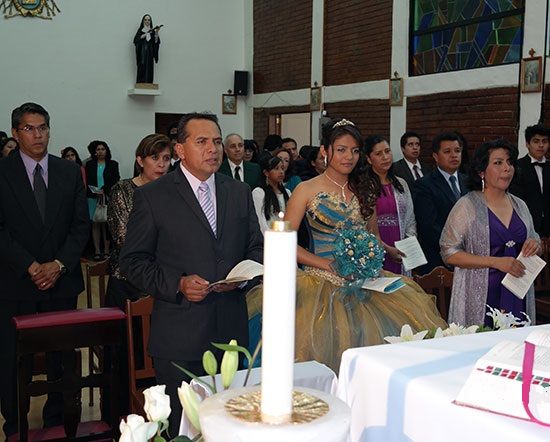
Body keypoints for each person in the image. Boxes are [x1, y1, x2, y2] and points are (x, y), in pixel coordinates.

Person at [247, 118, 445, 372]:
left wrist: (383, 251)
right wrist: (327, 264)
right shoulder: (305, 190)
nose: (348, 157)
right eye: (341, 149)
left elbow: (371, 235)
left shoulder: (365, 188)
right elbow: (285, 244)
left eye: (354, 150)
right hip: (319, 282)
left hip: (364, 281)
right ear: (325, 151)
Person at [119, 113, 263, 436]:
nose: (212, 149)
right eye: (201, 142)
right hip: (180, 338)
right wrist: (178, 284)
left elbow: (257, 247)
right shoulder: (154, 197)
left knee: (230, 428)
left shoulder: (239, 192)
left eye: (216, 142)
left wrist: (244, 275)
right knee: (181, 432)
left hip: (230, 334)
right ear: (180, 149)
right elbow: (133, 261)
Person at [0, 102, 89, 439]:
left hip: (61, 280)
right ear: (15, 132)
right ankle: (15, 423)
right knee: (12, 359)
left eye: (43, 127)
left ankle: (57, 420)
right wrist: (30, 265)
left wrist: (58, 264)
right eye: (29, 128)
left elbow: (80, 226)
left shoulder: (68, 171)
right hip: (14, 282)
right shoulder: (2, 171)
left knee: (60, 357)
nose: (38, 135)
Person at [440, 139, 540, 327]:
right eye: (498, 163)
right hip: (482, 294)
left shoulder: (520, 205)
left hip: (518, 291)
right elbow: (449, 252)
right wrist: (495, 262)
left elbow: (535, 239)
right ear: (481, 172)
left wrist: (535, 245)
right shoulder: (467, 206)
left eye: (510, 163)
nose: (507, 168)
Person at [413, 132, 468, 274]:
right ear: (435, 157)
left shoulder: (468, 182)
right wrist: (457, 245)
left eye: (457, 151)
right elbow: (428, 227)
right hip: (438, 260)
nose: (454, 155)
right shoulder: (424, 185)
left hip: (469, 257)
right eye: (447, 152)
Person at [364, 134, 415, 275]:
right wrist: (386, 248)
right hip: (376, 246)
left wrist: (408, 245)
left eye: (387, 151)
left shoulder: (401, 183)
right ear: (369, 159)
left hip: (401, 247)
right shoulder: (365, 187)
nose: (385, 157)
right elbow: (364, 225)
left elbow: (410, 218)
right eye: (378, 154)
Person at [510, 124, 550, 237]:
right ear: (527, 144)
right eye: (536, 141)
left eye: (545, 141)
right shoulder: (517, 167)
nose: (541, 145)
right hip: (527, 224)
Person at [85, 140, 120, 260]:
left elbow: (116, 180)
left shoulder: (113, 164)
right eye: (98, 150)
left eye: (102, 149)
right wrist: (95, 191)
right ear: (94, 152)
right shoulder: (89, 165)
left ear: (106, 151)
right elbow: (87, 180)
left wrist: (104, 190)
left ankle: (106, 250)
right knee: (95, 224)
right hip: (93, 197)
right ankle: (97, 251)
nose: (100, 152)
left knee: (106, 224)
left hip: (107, 197)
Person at [252, 154, 291, 233]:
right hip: (268, 237)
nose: (281, 172)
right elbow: (260, 220)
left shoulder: (287, 192)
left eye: (282, 168)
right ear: (266, 173)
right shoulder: (259, 193)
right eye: (276, 169)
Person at [133, 14, 161, 84]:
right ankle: (141, 82)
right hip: (142, 53)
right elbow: (135, 40)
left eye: (149, 20)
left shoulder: (153, 31)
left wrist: (156, 33)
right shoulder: (140, 30)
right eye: (145, 20)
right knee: (142, 66)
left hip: (150, 53)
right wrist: (143, 36)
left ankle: (149, 82)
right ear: (143, 21)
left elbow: (156, 42)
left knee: (149, 68)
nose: (147, 21)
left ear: (150, 21)